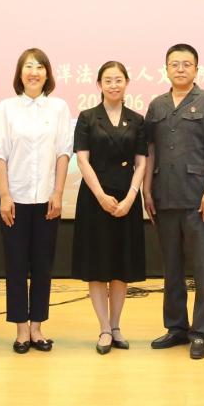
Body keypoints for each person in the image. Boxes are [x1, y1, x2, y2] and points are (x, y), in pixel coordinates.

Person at [143, 43, 204, 360]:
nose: (180, 69)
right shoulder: (157, 105)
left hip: (199, 198)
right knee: (172, 267)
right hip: (165, 196)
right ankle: (176, 327)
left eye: (186, 64)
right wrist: (146, 190)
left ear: (196, 69)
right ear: (166, 69)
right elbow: (150, 150)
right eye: (174, 64)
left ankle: (201, 333)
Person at [0, 47, 72, 354]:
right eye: (28, 66)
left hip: (47, 200)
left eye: (39, 66)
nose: (34, 72)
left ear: (47, 73)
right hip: (15, 199)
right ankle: (21, 330)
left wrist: (58, 193)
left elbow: (63, 152)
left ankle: (37, 327)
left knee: (42, 266)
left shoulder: (59, 108)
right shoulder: (7, 108)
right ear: (20, 73)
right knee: (15, 266)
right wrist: (5, 195)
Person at [71, 61, 148, 355]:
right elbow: (82, 160)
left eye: (118, 80)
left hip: (126, 198)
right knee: (97, 265)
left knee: (120, 266)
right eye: (108, 80)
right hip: (95, 199)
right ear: (99, 85)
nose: (114, 85)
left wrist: (131, 197)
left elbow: (141, 162)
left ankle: (116, 326)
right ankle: (103, 327)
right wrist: (101, 196)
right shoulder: (88, 117)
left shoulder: (137, 120)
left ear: (127, 83)